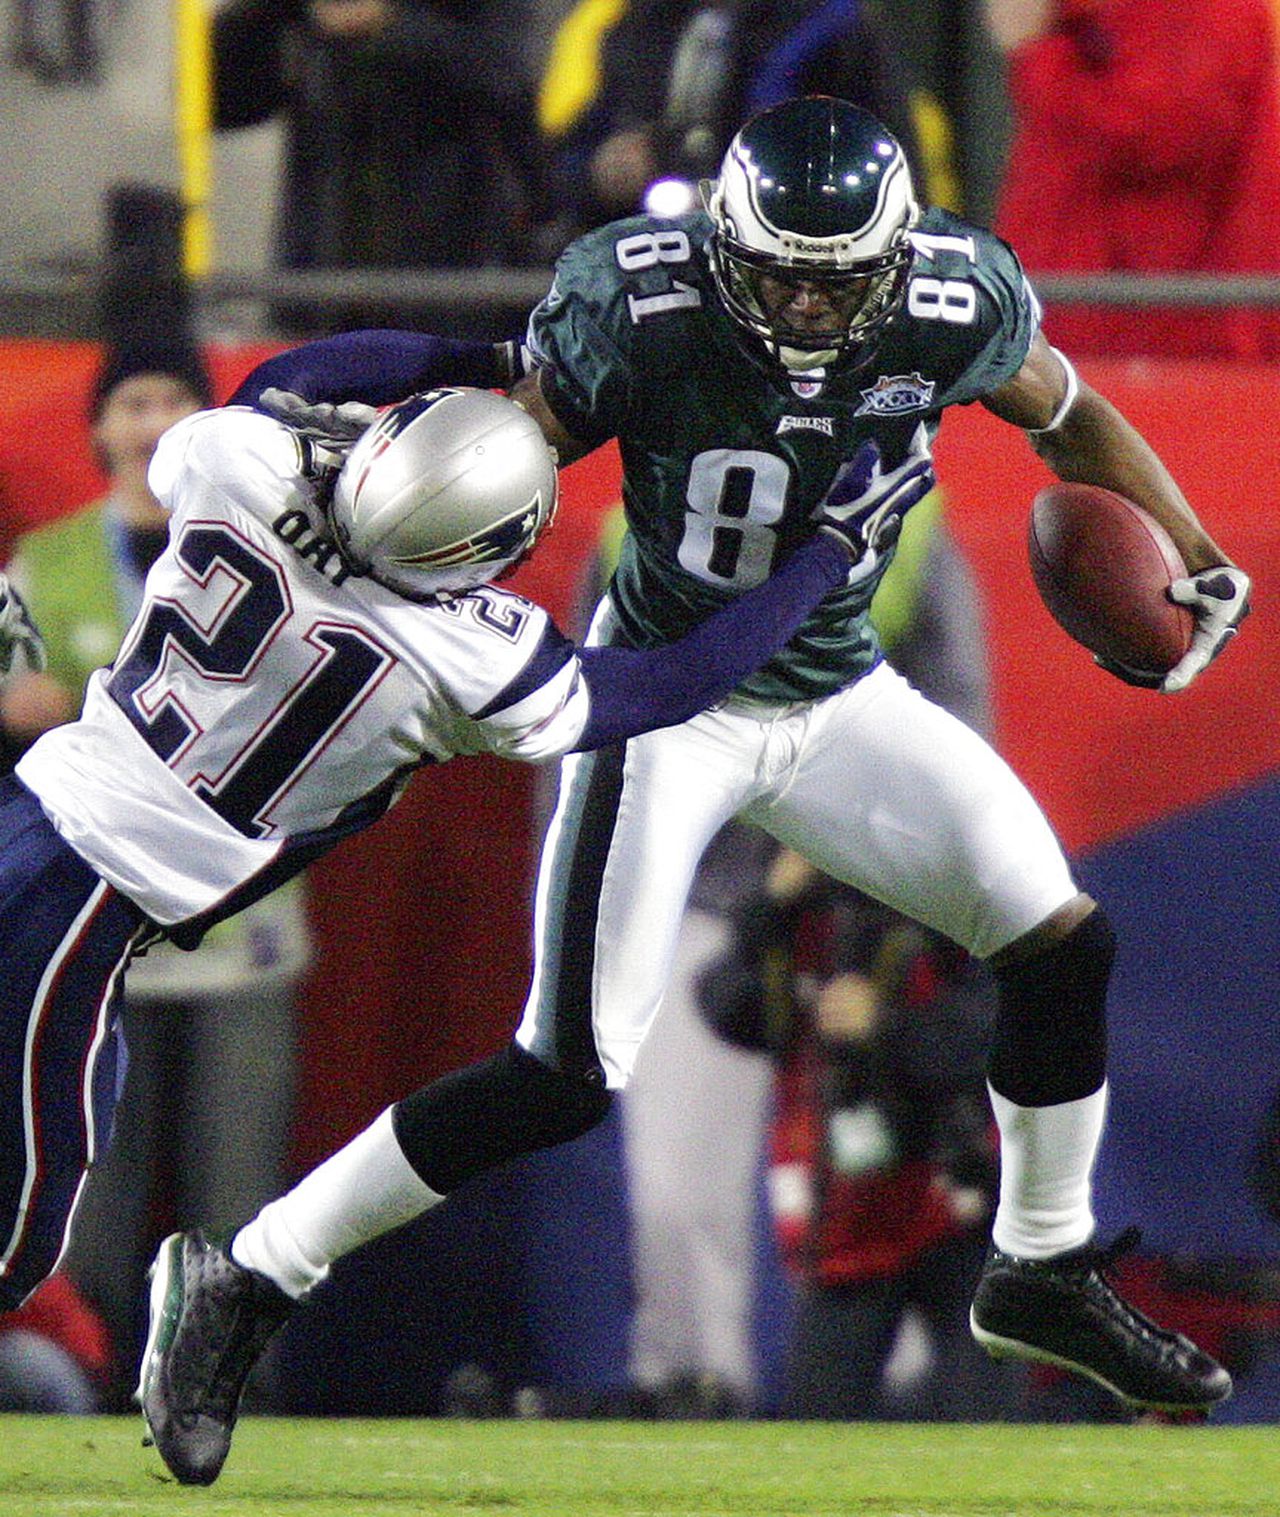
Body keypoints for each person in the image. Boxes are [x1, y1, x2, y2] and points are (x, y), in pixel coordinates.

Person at [138, 96, 1248, 1484]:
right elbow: (508, 452)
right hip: (666, 702)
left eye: (832, 278)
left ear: (894, 263)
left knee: (1061, 939)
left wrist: (1195, 551)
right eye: (774, 270)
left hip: (839, 698)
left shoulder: (956, 298)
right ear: (722, 245)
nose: (798, 301)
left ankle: (1041, 1261)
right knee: (564, 1073)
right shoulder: (638, 304)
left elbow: (1067, 415)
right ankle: (247, 1276)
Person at [0, 349, 882, 1362]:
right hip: (89, 898)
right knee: (22, 1238)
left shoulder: (242, 461)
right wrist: (823, 558)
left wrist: (489, 357)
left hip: (35, 818)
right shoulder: (462, 654)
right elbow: (666, 685)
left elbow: (284, 374)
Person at [0, 336, 312, 1405]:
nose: (149, 421)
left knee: (239, 1198)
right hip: (91, 927)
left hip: (237, 926)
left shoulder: (269, 549)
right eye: (130, 400)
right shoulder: (43, 563)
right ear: (97, 426)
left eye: (171, 398)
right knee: (84, 1193)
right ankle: (79, 1399)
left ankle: (238, 1408)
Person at [211, 0, 549, 329]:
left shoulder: (469, 15)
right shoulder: (298, 19)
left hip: (453, 281)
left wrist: (392, 26)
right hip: (320, 280)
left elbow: (513, 89)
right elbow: (225, 104)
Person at [983, 0, 1280, 358]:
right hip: (1077, 329)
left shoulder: (1199, 11)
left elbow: (1160, 133)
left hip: (1161, 341)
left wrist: (1037, 52)